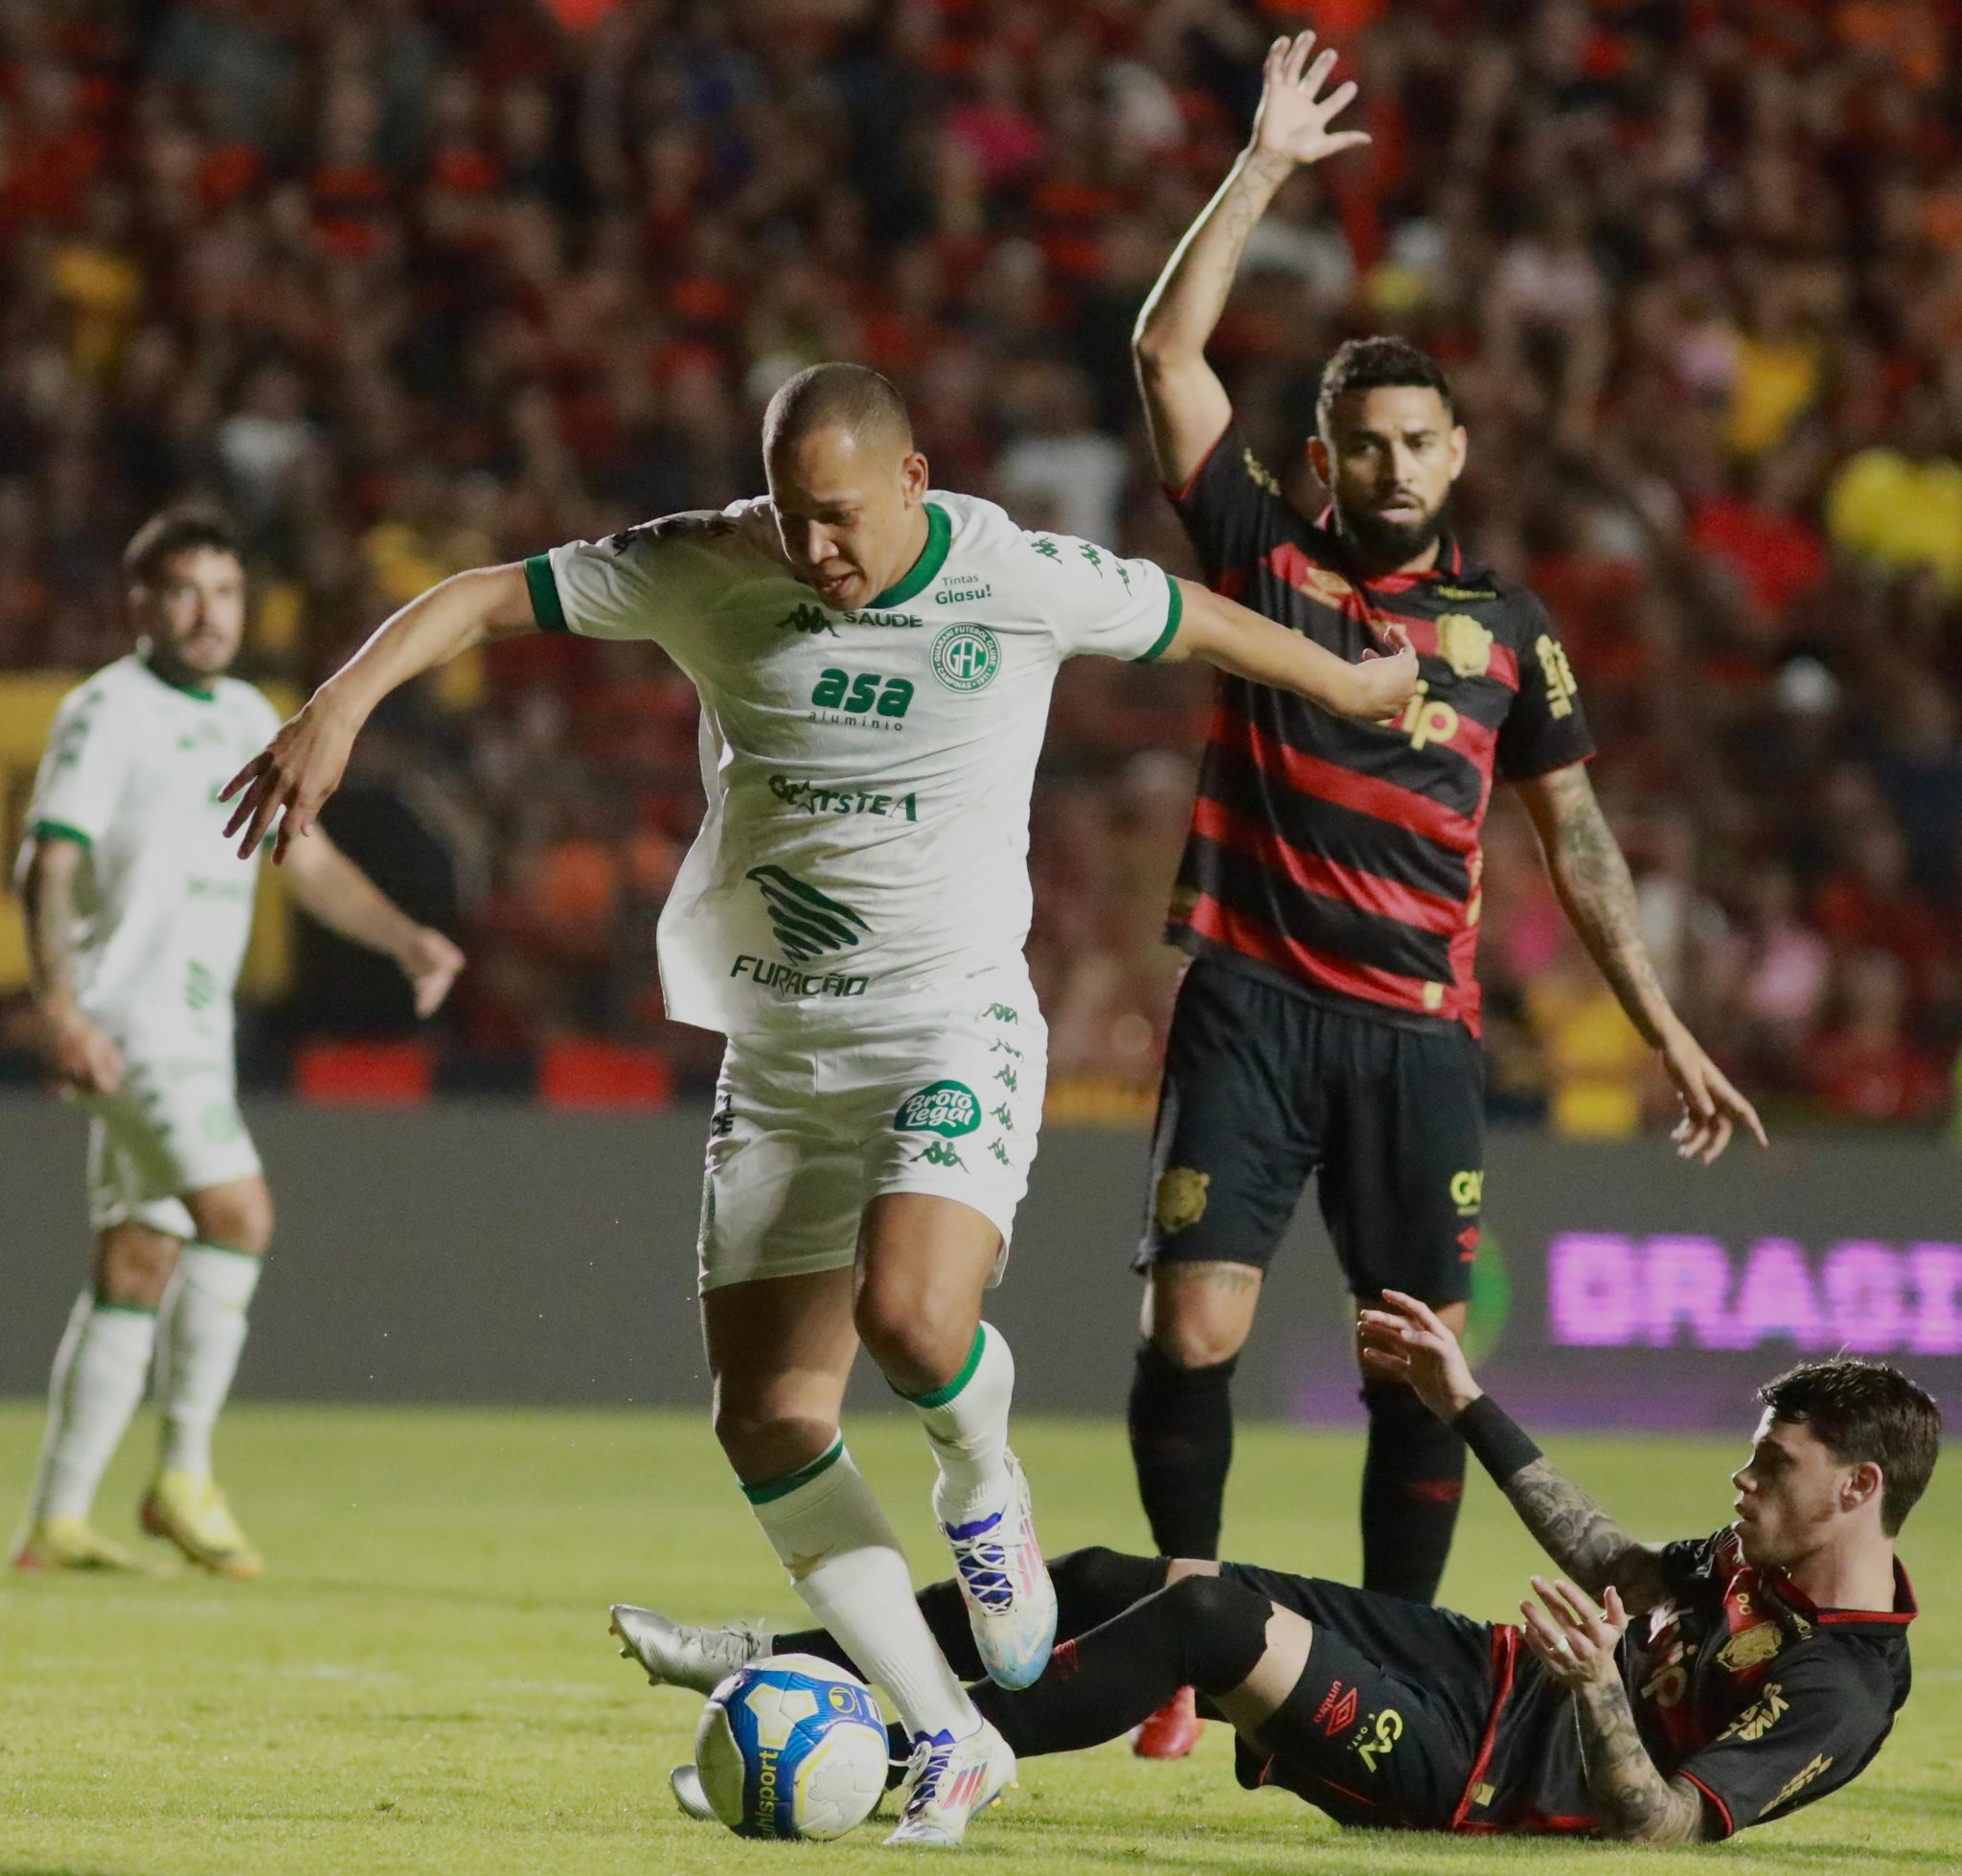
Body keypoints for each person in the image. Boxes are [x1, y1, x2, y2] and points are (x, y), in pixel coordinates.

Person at [217, 362, 1418, 1846]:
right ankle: (946, 1733)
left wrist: (1356, 681)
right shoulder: (711, 562)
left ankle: (986, 1494)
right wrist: (335, 709)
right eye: (793, 517)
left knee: (914, 1320)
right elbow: (478, 593)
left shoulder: (1013, 576)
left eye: (840, 519)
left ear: (914, 483)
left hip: (948, 1027)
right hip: (777, 1056)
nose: (815, 550)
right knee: (770, 1416)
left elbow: (1196, 620)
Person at [1120, 32, 1765, 1752]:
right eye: (1359, 444)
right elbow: (1163, 351)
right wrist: (1262, 169)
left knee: (1414, 1360)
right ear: (1319, 459)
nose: (1389, 468)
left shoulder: (1512, 638)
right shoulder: (1263, 560)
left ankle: (1379, 1662)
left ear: (1457, 452)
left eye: (1416, 441)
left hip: (1416, 1038)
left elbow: (1575, 837)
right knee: (1192, 1317)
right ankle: (1191, 1628)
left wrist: (1664, 1023)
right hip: (1251, 1003)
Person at [624, 1293, 1935, 1845]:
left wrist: (1595, 1685)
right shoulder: (1772, 1563)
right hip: (1477, 1671)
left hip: (1485, 1777)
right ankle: (787, 1659)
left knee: (1203, 1619)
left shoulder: (1842, 1685)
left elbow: (1663, 1828)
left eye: (1771, 1467)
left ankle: (908, 1752)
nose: (1742, 1483)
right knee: (1097, 1574)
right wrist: (1467, 1399)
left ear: (1860, 1488)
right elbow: (1625, 1564)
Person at [11, 509, 464, 1580]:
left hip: (194, 1027)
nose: (207, 612)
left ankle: (57, 1522)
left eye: (223, 591)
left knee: (139, 1257)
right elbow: (47, 859)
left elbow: (300, 860)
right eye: (182, 591)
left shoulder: (247, 714)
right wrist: (62, 1007)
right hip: (130, 1016)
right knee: (239, 1212)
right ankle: (183, 1477)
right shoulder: (102, 711)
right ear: (141, 604)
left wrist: (405, 937)